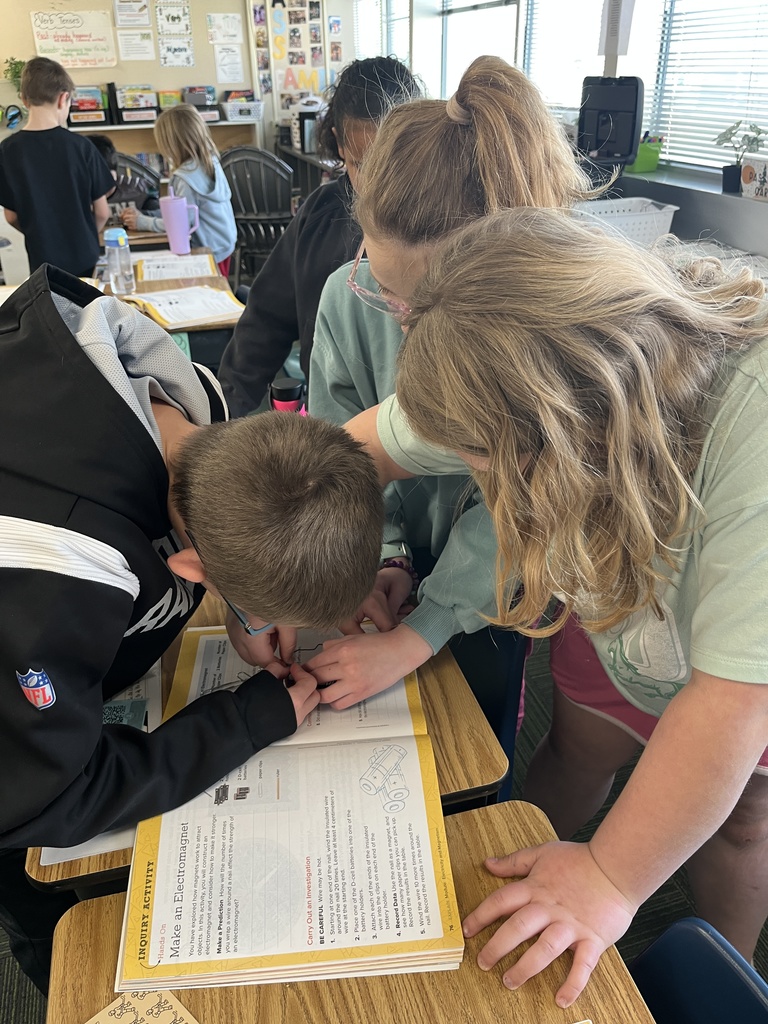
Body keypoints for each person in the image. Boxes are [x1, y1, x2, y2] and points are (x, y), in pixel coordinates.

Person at [345, 206, 768, 1006]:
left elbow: (730, 705)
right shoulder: (527, 365)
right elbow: (358, 452)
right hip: (626, 621)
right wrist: (329, 564)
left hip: (740, 677)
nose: (478, 476)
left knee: (742, 816)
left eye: (488, 460)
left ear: (568, 425)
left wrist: (609, 878)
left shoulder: (754, 423)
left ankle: (722, 979)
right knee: (576, 751)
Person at [0, 262, 382, 993]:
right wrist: (244, 721)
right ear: (194, 571)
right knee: (53, 915)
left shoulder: (192, 405)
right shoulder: (55, 576)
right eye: (266, 613)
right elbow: (49, 796)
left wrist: (246, 610)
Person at [305, 57, 599, 738]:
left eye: (421, 306)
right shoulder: (350, 299)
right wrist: (385, 551)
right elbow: (346, 441)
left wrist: (426, 629)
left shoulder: (541, 343)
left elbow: (529, 501)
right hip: (403, 559)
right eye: (381, 290)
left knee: (482, 728)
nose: (401, 321)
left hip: (504, 580)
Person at [217, 56, 422, 418]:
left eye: (392, 163)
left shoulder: (444, 218)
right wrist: (221, 410)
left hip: (414, 425)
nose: (379, 184)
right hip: (330, 417)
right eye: (362, 165)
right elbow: (265, 319)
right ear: (338, 144)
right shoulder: (320, 213)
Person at [0, 57, 114, 276]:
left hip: (42, 262)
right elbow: (102, 212)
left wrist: (39, 234)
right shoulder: (82, 147)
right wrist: (86, 237)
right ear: (64, 99)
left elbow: (11, 217)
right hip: (85, 258)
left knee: (50, 309)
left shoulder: (6, 151)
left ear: (24, 100)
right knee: (87, 309)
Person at [121, 104, 237, 277]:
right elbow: (183, 212)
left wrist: (142, 222)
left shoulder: (184, 178)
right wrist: (147, 215)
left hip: (205, 250)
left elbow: (180, 224)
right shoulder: (210, 162)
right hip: (223, 243)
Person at [88, 132, 161, 226]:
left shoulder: (138, 190)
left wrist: (142, 216)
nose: (100, 185)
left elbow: (163, 214)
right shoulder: (76, 195)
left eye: (104, 178)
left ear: (115, 173)